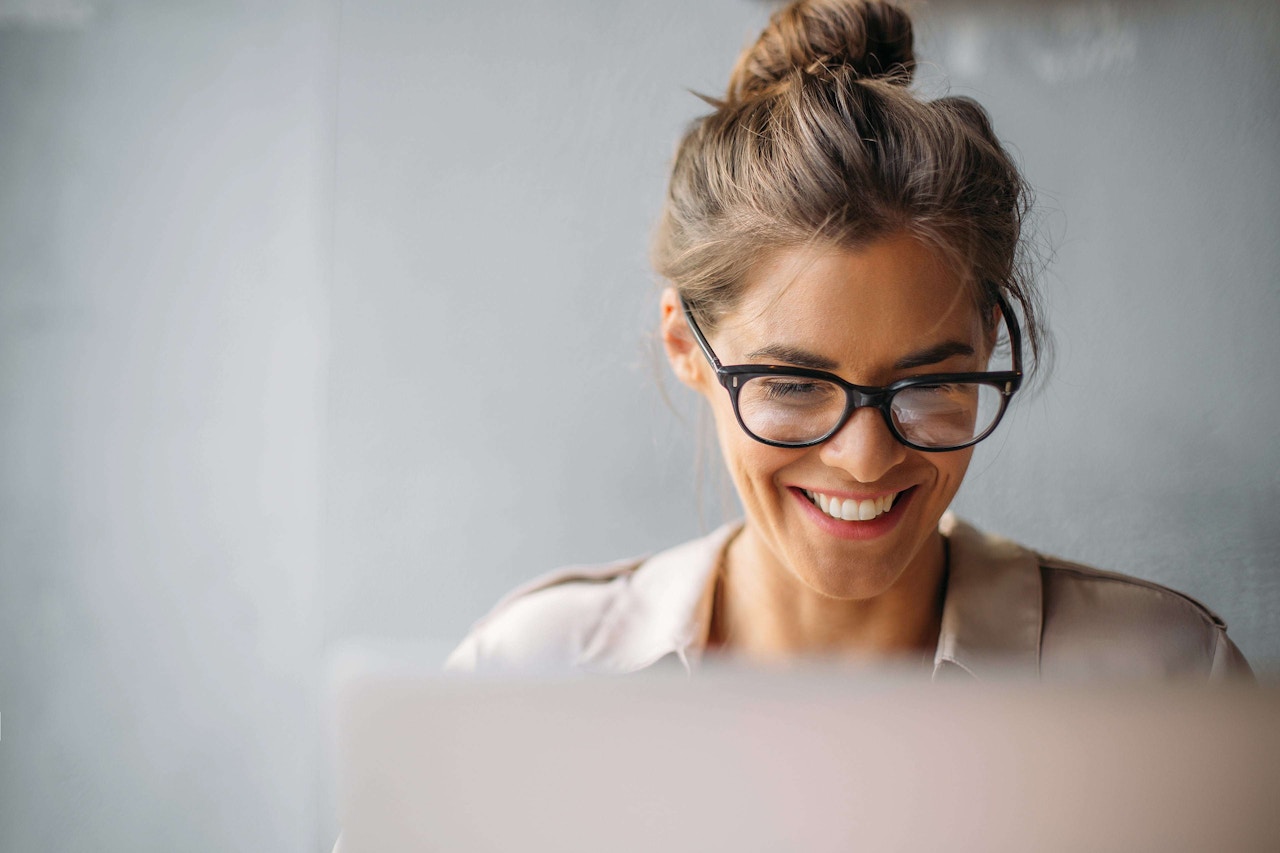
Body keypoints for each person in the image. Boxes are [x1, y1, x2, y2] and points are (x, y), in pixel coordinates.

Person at [445, 0, 1252, 680]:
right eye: (795, 384)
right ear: (685, 345)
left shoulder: (1167, 675)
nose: (865, 460)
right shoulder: (526, 672)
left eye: (927, 384)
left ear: (985, 348)